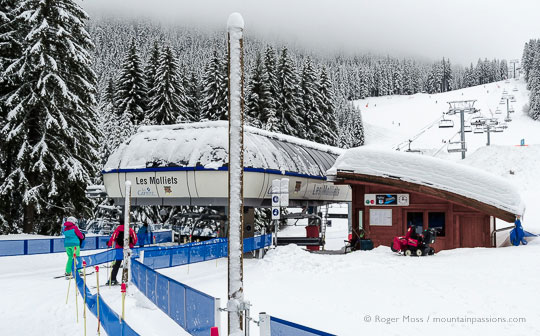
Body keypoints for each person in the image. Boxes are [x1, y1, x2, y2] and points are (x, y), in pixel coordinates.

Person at [107, 217, 137, 285]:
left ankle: (112, 279)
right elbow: (135, 238)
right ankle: (129, 279)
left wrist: (109, 244)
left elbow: (113, 238)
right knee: (129, 264)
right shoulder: (130, 230)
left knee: (117, 264)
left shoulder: (117, 230)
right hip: (128, 249)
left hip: (119, 249)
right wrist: (132, 244)